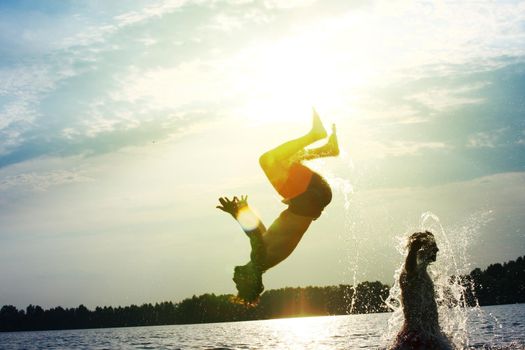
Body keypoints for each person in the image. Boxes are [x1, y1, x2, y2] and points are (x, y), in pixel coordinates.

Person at [216, 108, 339, 304]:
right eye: (238, 285)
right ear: (249, 280)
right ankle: (315, 135)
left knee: (284, 160)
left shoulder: (265, 259)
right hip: (308, 198)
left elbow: (261, 231)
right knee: (267, 160)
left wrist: (244, 210)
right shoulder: (258, 260)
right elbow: (253, 234)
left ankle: (327, 150)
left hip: (315, 197)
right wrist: (235, 213)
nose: (234, 279)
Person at [392, 231, 453, 350]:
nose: (437, 249)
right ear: (421, 249)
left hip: (428, 335)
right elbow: (409, 268)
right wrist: (413, 249)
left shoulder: (423, 272)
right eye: (433, 245)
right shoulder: (412, 272)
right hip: (417, 338)